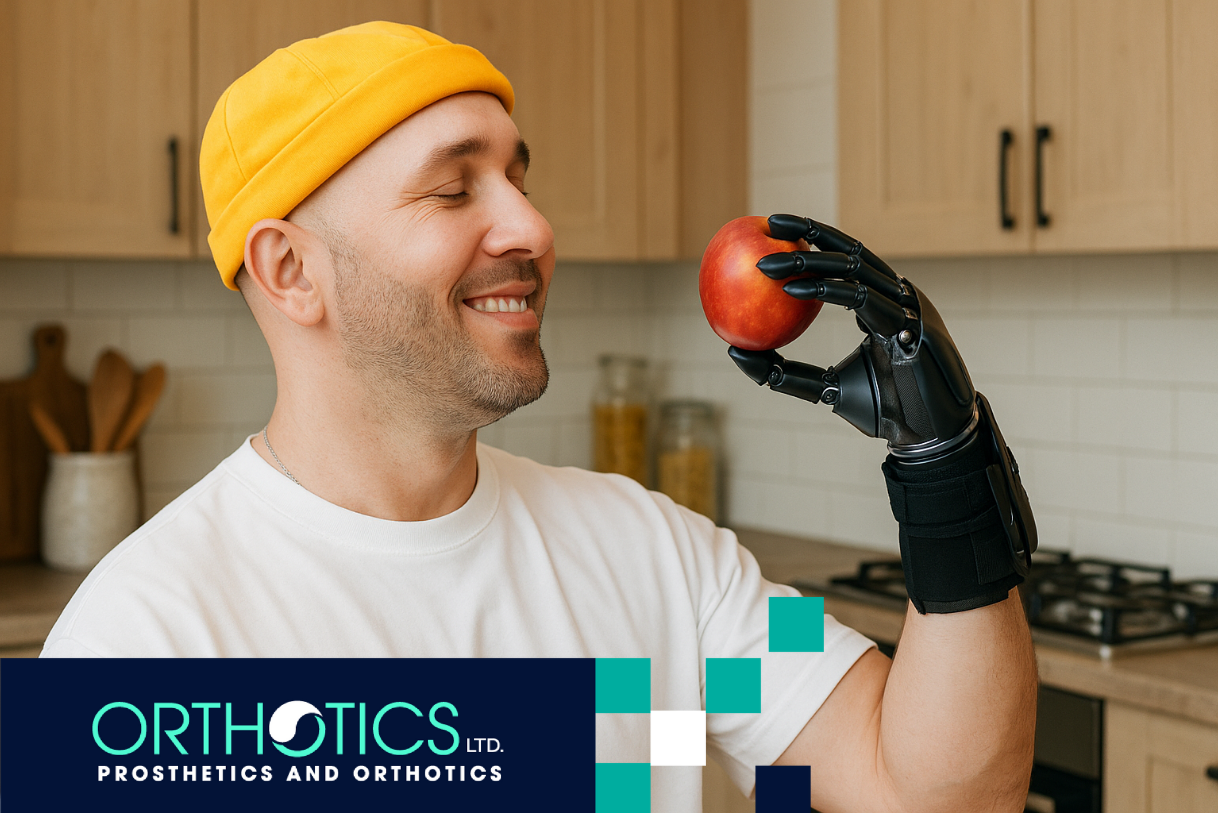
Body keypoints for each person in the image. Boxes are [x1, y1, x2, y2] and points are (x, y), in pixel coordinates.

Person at [42, 22, 1036, 811]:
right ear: (290, 270)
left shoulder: (652, 559)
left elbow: (928, 793)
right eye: (452, 188)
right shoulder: (148, 647)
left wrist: (944, 464)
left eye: (519, 176)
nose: (532, 227)